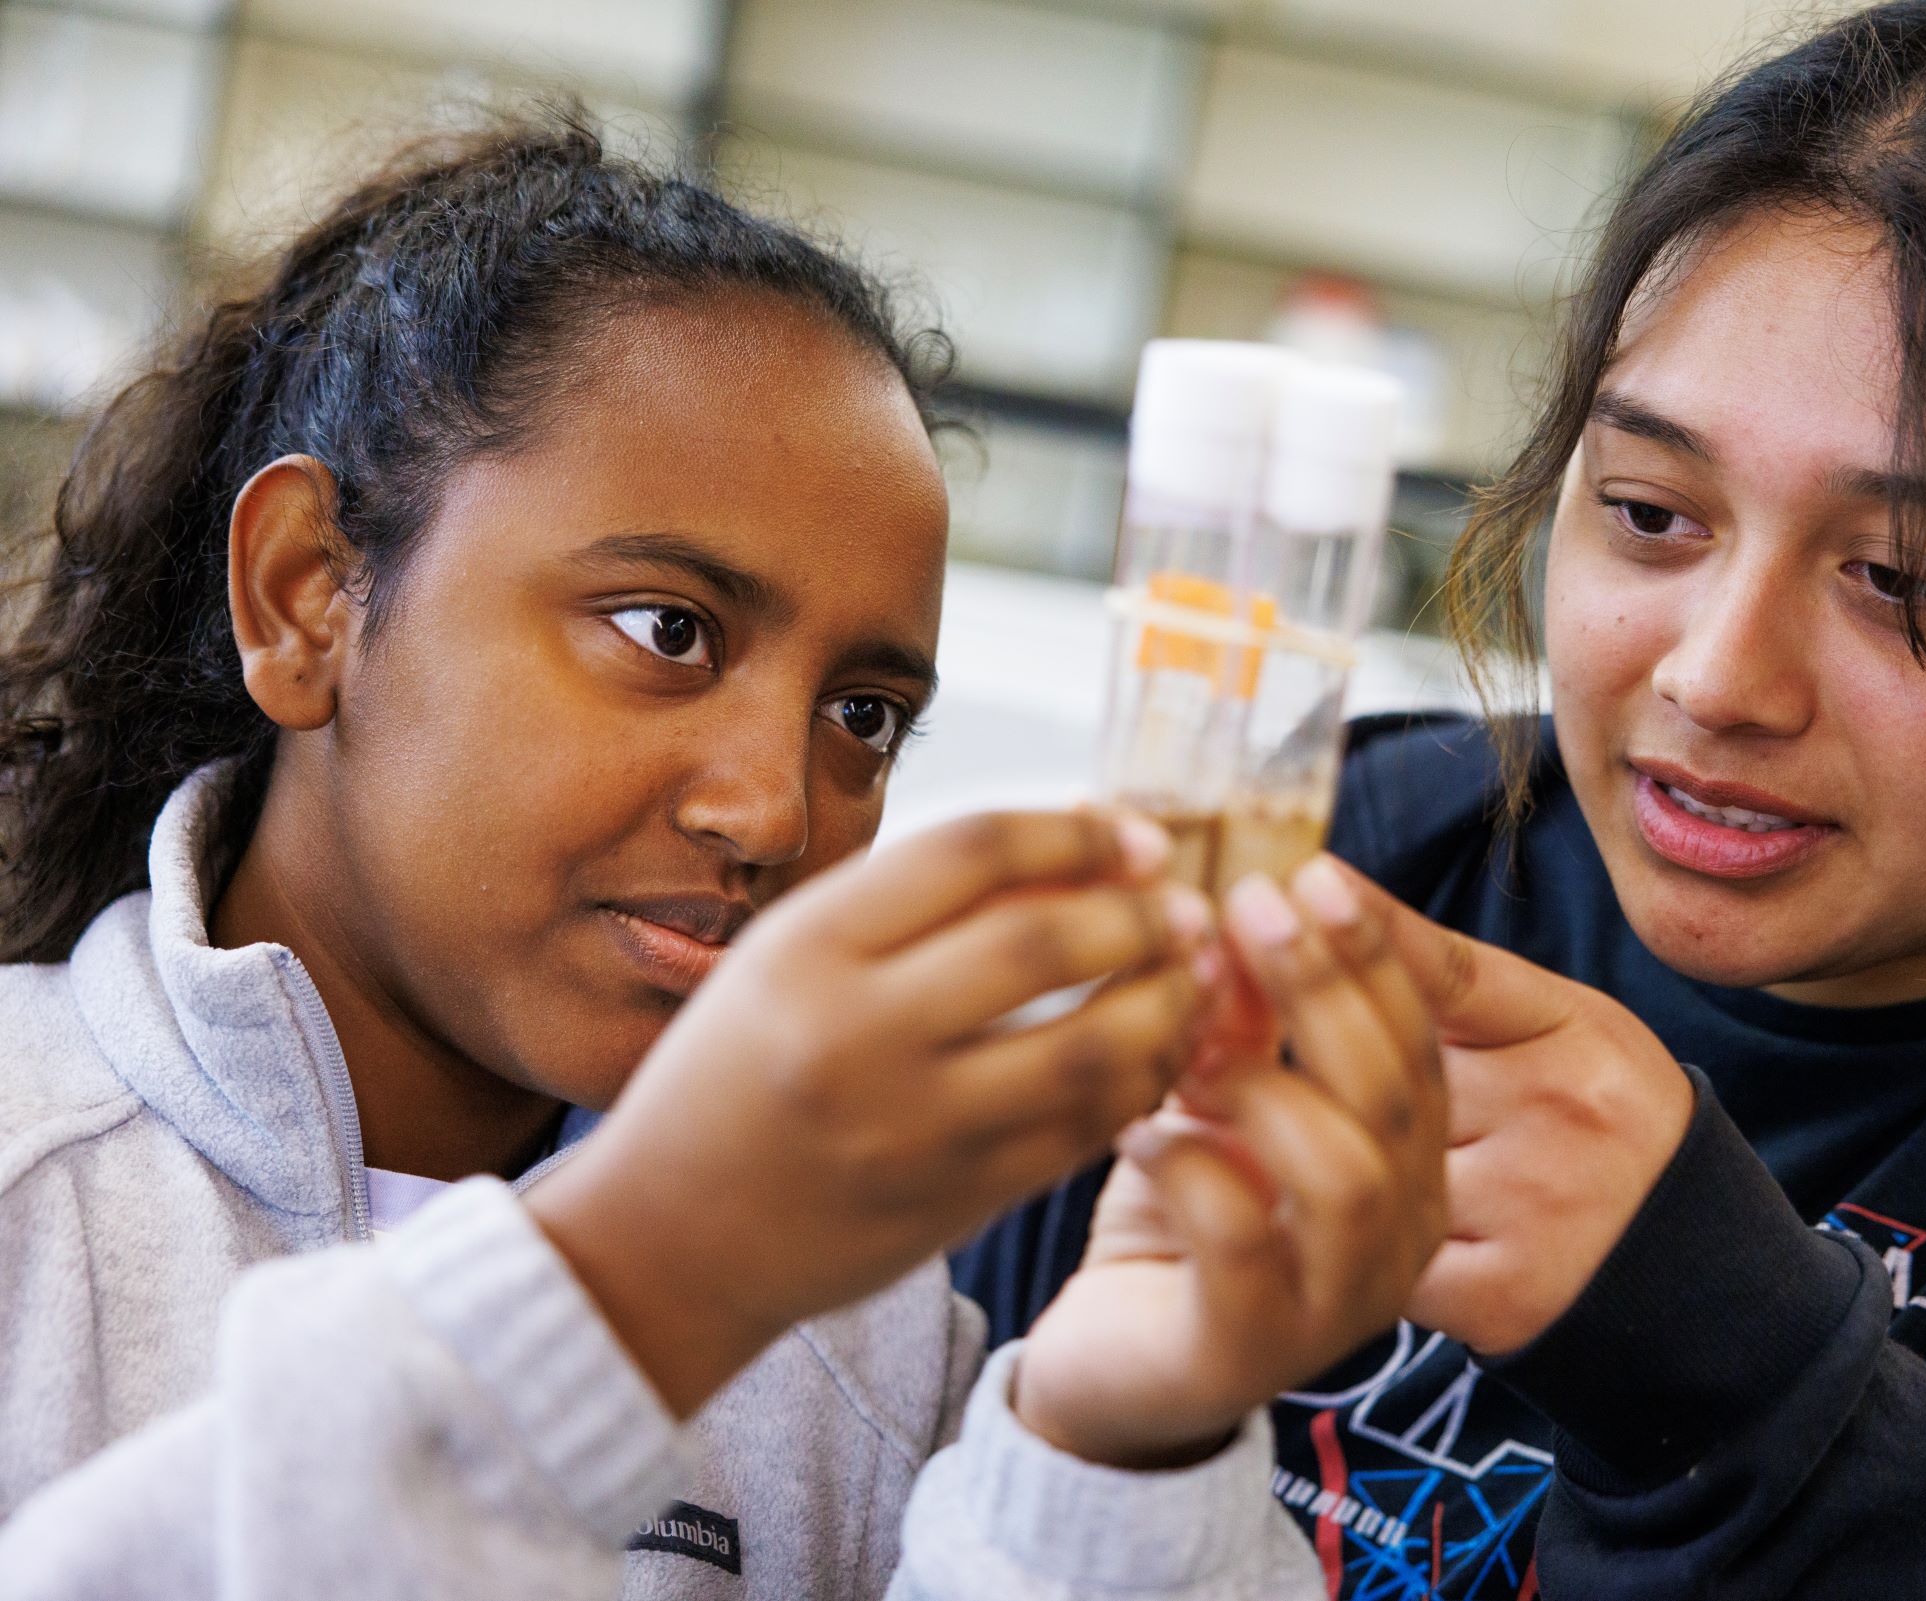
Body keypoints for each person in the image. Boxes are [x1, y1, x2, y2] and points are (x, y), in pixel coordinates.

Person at [955, 3, 1926, 1596]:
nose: (1718, 679)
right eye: (1650, 512)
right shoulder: (1352, 858)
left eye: (1906, 579)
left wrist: (1737, 1362)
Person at [0, 113, 1451, 1599]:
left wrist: (1114, 1457)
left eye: (864, 716)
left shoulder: (860, 1335)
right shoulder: (32, 1189)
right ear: (308, 595)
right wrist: (639, 1279)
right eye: (665, 629)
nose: (775, 813)